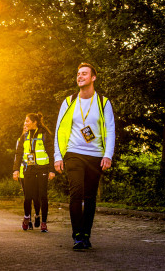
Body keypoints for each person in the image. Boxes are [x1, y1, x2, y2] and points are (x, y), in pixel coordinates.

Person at [54, 63, 115, 250]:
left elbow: (111, 130)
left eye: (84, 74)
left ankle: (86, 234)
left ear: (93, 78)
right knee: (76, 192)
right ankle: (77, 235)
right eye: (78, 73)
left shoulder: (103, 102)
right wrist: (58, 156)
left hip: (95, 155)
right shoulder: (69, 101)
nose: (80, 76)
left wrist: (108, 155)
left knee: (89, 197)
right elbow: (59, 130)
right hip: (73, 154)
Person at [13, 113, 55, 232]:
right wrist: (16, 170)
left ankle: (44, 222)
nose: (25, 123)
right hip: (28, 169)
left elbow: (51, 153)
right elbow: (18, 154)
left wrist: (51, 170)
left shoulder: (45, 135)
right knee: (28, 196)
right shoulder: (24, 136)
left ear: (34, 122)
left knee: (42, 196)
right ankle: (27, 217)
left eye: (27, 121)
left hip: (42, 169)